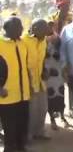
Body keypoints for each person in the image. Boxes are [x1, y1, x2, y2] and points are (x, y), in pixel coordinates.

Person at [0, 17, 30, 152]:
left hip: (23, 94)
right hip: (7, 95)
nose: (22, 29)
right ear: (9, 29)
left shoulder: (22, 43)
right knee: (9, 128)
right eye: (19, 26)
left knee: (22, 125)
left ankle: (21, 147)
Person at [22, 19, 50, 141]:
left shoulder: (43, 40)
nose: (45, 33)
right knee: (31, 111)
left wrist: (44, 69)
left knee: (43, 109)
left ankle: (40, 132)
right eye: (43, 31)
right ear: (34, 28)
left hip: (41, 81)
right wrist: (26, 80)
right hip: (28, 81)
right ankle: (28, 136)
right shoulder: (24, 41)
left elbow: (42, 58)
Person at [45, 19, 69, 131]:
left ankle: (62, 116)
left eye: (51, 25)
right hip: (48, 71)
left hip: (58, 70)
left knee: (60, 93)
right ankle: (52, 118)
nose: (50, 28)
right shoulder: (41, 39)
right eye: (48, 26)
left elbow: (63, 53)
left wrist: (58, 57)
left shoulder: (58, 38)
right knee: (50, 94)